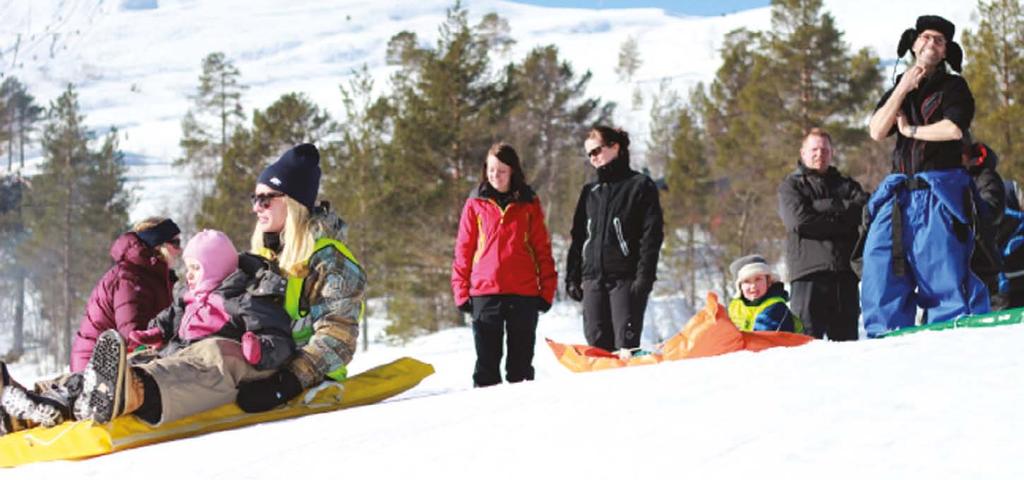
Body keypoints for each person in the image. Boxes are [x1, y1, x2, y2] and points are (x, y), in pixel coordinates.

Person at [71, 143, 366, 425]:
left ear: (293, 203)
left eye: (265, 199)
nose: (256, 207)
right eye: (255, 199)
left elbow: (337, 336)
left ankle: (135, 391)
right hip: (257, 360)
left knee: (216, 354)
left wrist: (287, 383)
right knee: (172, 353)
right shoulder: (263, 254)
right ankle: (65, 394)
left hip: (300, 373)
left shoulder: (330, 260)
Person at [862, 15, 989, 337]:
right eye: (926, 37)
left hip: (940, 192)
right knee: (882, 271)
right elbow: (877, 130)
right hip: (898, 195)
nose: (931, 43)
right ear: (914, 42)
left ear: (946, 51)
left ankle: (951, 339)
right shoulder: (898, 87)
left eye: (939, 40)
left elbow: (953, 129)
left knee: (943, 274)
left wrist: (911, 130)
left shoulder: (954, 86)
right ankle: (886, 342)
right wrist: (903, 86)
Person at [451, 143, 557, 387]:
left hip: (524, 293)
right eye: (490, 170)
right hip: (485, 293)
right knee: (486, 367)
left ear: (512, 171)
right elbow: (463, 250)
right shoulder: (475, 202)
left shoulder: (529, 202)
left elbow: (542, 249)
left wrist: (547, 290)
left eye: (501, 171)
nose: (494, 176)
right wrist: (460, 291)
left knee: (520, 368)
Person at [128, 229, 295, 370]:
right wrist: (158, 331)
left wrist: (259, 350)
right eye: (188, 268)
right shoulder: (187, 297)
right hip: (176, 353)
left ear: (216, 268)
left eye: (196, 268)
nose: (189, 274)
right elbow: (172, 316)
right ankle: (123, 375)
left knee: (164, 373)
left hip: (207, 366)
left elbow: (277, 334)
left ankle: (137, 385)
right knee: (138, 361)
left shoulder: (240, 300)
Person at [565, 126, 664, 352]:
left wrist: (644, 278)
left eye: (597, 150)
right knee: (598, 347)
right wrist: (572, 276)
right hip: (592, 280)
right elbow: (579, 237)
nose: (594, 158)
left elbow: (652, 236)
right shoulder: (590, 192)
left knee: (625, 348)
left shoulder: (639, 185)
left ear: (615, 147)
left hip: (625, 279)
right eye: (589, 154)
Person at [778, 128, 867, 340]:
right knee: (807, 346)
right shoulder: (791, 186)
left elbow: (863, 211)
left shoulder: (847, 185)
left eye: (825, 150)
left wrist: (823, 206)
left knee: (848, 349)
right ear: (803, 153)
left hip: (844, 276)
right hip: (808, 276)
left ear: (832, 153)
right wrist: (842, 218)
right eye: (814, 149)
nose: (820, 154)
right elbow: (799, 222)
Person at [72, 217, 182, 372]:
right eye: (175, 243)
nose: (180, 250)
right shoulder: (130, 278)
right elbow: (133, 337)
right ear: (159, 246)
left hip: (116, 362)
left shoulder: (152, 276)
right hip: (96, 371)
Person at [961, 141, 1005, 305]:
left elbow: (991, 209)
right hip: (961, 260)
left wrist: (966, 208)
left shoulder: (986, 177)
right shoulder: (959, 179)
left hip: (981, 261)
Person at [727, 254, 802, 333]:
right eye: (746, 281)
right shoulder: (735, 307)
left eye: (758, 279)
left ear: (768, 282)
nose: (753, 286)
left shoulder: (775, 307)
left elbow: (763, 337)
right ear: (740, 287)